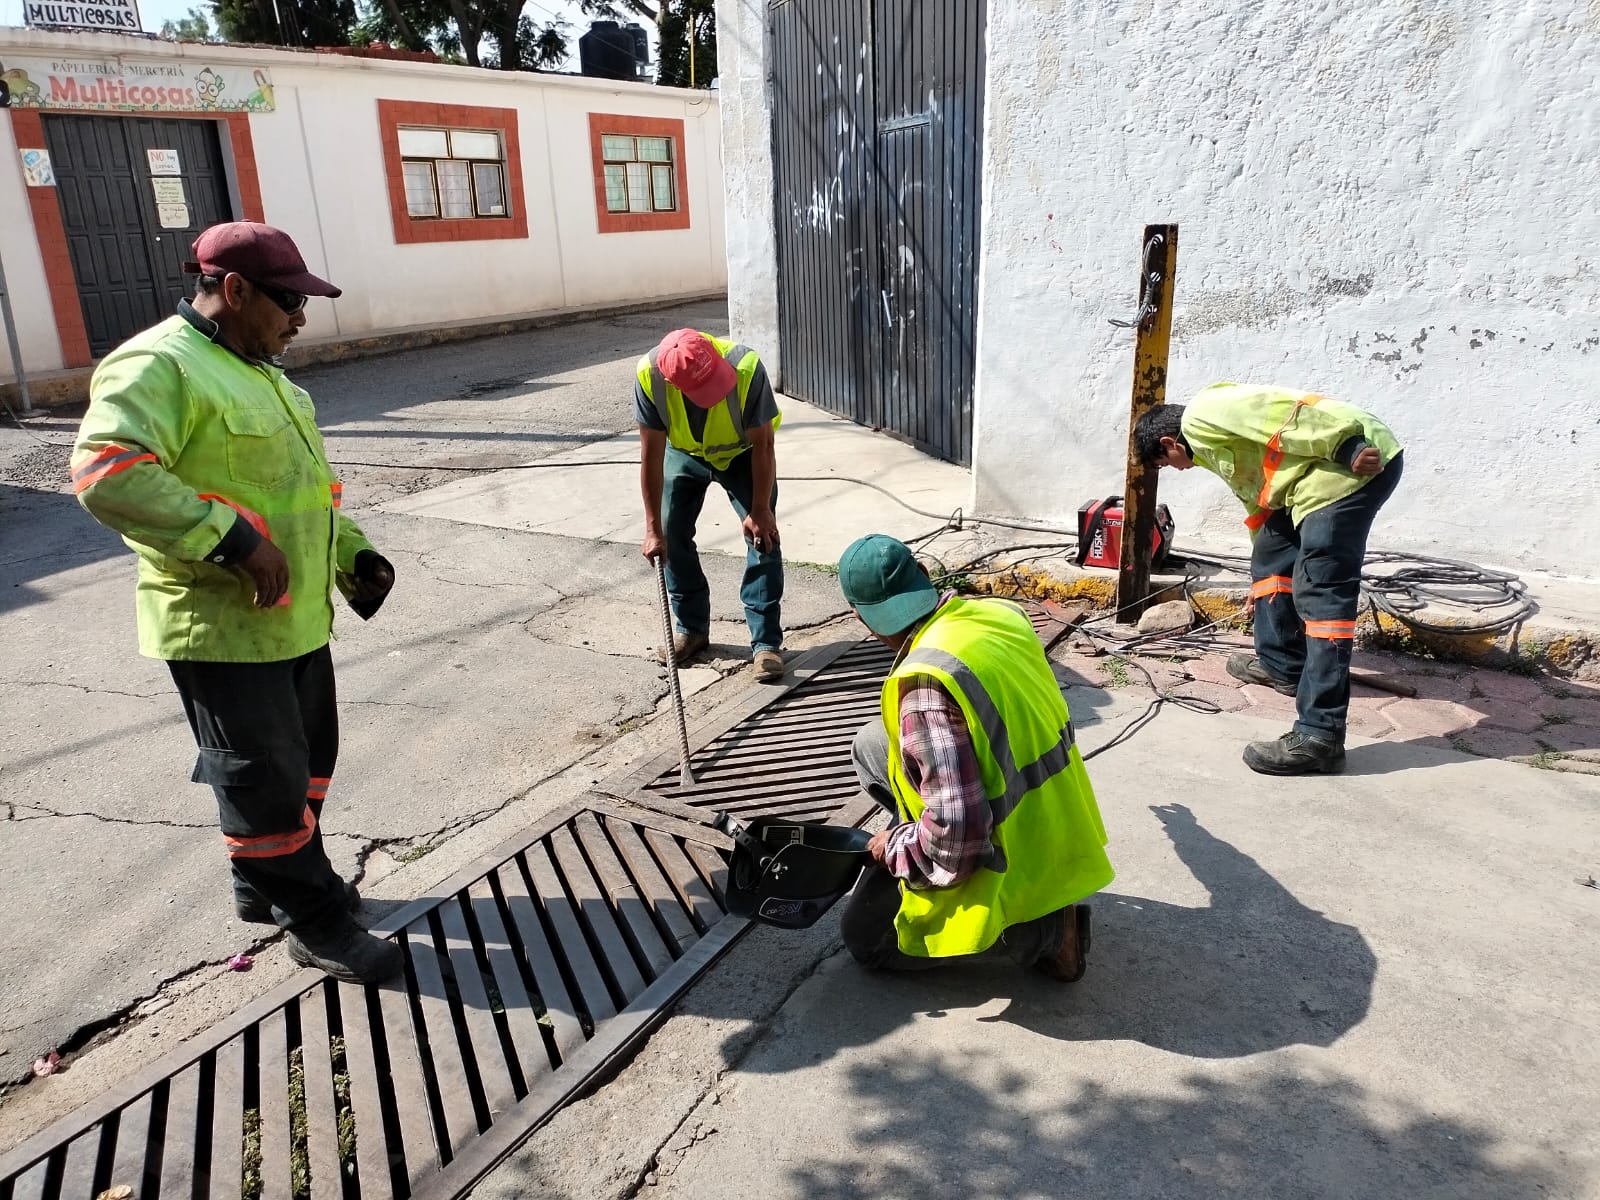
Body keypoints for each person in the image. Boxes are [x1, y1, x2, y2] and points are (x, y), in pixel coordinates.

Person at [70, 221, 403, 984]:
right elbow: (108, 472)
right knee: (264, 780)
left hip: (294, 623)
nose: (300, 318)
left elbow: (305, 493)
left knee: (303, 767)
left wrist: (354, 555)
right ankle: (313, 922)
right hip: (220, 627)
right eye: (289, 301)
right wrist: (232, 541)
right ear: (236, 289)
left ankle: (266, 885)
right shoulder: (161, 365)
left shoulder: (270, 378)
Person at [837, 534, 1114, 980]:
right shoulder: (998, 614)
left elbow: (957, 841)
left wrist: (897, 849)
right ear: (925, 577)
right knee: (873, 745)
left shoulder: (927, 684)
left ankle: (1043, 931)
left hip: (1009, 846)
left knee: (866, 939)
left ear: (863, 620)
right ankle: (936, 832)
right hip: (1060, 817)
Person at [1134, 383, 1404, 776]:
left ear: (1168, 443)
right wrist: (1261, 579)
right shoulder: (1209, 447)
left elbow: (1284, 417)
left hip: (1350, 467)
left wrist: (1347, 448)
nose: (1174, 470)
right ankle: (1283, 667)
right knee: (1271, 556)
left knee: (1321, 592)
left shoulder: (1204, 413)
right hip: (1312, 476)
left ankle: (1320, 736)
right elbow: (1257, 498)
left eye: (1164, 464)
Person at [636, 328, 785, 681]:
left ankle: (766, 644)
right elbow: (651, 456)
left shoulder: (746, 368)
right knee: (671, 534)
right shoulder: (649, 376)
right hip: (685, 453)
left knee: (763, 538)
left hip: (744, 454)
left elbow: (764, 444)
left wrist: (760, 509)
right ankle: (692, 629)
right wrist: (653, 529)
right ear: (674, 384)